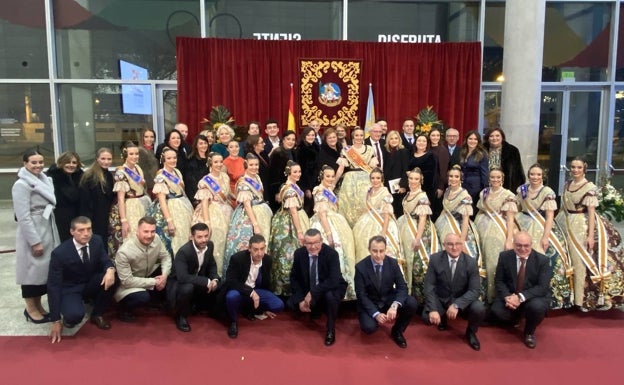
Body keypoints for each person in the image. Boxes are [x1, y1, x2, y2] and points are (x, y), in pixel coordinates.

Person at [555, 158, 624, 311]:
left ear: (584, 169)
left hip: (581, 224)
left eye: (578, 167)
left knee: (578, 261)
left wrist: (591, 236)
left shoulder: (589, 187)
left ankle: (579, 300)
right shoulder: (567, 184)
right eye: (573, 167)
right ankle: (568, 296)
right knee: (567, 260)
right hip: (565, 222)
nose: (575, 170)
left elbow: (591, 213)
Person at [48, 217, 117, 343]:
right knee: (74, 315)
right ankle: (69, 316)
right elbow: (53, 286)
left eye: (89, 229)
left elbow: (105, 259)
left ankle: (97, 314)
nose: (86, 233)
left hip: (90, 282)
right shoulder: (59, 253)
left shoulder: (97, 240)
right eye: (81, 230)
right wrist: (55, 320)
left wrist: (110, 269)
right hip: (71, 288)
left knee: (113, 277)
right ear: (72, 231)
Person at [516, 163, 573, 309]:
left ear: (543, 176)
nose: (535, 177)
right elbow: (518, 207)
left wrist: (545, 236)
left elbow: (549, 216)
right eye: (532, 174)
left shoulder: (547, 192)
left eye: (538, 175)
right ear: (528, 175)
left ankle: (538, 295)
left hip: (541, 226)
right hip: (522, 223)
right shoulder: (522, 189)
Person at [13, 149, 61, 323]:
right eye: (33, 162)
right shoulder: (21, 185)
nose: (38, 165)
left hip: (47, 226)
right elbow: (23, 216)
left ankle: (39, 305)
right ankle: (30, 308)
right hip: (32, 230)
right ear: (25, 163)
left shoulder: (45, 180)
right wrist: (34, 241)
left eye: (40, 162)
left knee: (42, 272)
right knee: (30, 272)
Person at [423, 233, 486, 351]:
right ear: (444, 246)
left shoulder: (471, 262)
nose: (454, 247)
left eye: (457, 244)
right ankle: (443, 318)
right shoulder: (435, 259)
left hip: (461, 300)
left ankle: (471, 332)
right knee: (427, 318)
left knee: (479, 308)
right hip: (442, 299)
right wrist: (433, 309)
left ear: (462, 245)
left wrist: (457, 304)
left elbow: (475, 290)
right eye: (450, 244)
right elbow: (429, 286)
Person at [354, 236, 418, 349]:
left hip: (388, 298)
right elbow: (361, 295)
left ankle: (397, 331)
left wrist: (395, 305)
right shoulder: (360, 267)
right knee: (369, 328)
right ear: (369, 249)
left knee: (411, 302)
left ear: (386, 250)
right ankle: (372, 320)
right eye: (374, 251)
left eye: (381, 251)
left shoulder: (393, 263)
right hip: (371, 302)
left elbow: (402, 287)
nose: (378, 255)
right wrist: (376, 314)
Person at [491, 232, 551, 349]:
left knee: (536, 307)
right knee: (496, 311)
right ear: (513, 244)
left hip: (532, 297)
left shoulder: (542, 261)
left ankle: (529, 332)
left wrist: (519, 298)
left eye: (526, 245)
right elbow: (499, 281)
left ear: (531, 244)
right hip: (511, 295)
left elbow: (542, 287)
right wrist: (508, 297)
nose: (522, 249)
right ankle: (517, 318)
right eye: (519, 245)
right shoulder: (504, 257)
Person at [288, 229, 347, 346]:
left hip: (329, 288)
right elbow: (294, 278)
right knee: (290, 304)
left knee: (330, 296)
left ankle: (330, 329)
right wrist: (300, 299)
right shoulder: (299, 254)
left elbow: (333, 280)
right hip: (309, 288)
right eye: (309, 243)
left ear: (321, 241)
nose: (313, 246)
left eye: (316, 242)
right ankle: (314, 308)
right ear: (304, 243)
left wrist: (312, 293)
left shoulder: (331, 254)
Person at [435, 166, 484, 296]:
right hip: (445, 226)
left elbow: (466, 218)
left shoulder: (465, 195)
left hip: (460, 229)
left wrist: (462, 241)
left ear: (461, 179)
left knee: (465, 259)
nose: (453, 179)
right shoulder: (447, 191)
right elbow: (445, 210)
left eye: (456, 177)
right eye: (451, 176)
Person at [223, 234, 285, 339]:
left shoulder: (267, 260)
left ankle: (251, 310)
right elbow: (231, 281)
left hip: (256, 291)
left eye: (262, 249)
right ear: (249, 249)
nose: (259, 253)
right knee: (231, 297)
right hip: (239, 290)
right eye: (255, 249)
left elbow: (266, 282)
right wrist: (251, 292)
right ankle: (233, 321)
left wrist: (264, 308)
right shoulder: (237, 258)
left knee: (278, 305)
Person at [310, 165, 356, 300]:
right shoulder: (319, 191)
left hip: (336, 221)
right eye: (327, 176)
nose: (330, 179)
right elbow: (322, 214)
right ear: (321, 177)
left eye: (332, 176)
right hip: (325, 225)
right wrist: (329, 235)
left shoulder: (328, 188)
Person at [114, 216, 172, 322]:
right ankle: (123, 310)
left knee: (171, 272)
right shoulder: (124, 252)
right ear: (137, 231)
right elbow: (127, 281)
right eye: (145, 231)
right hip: (128, 285)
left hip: (147, 274)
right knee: (142, 297)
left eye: (152, 231)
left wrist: (164, 275)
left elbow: (166, 257)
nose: (149, 235)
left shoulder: (157, 239)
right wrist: (155, 282)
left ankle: (156, 301)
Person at [474, 168, 518, 303]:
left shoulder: (508, 195)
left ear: (502, 179)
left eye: (498, 177)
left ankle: (494, 297)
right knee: (481, 261)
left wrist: (509, 239)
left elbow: (510, 218)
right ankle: (482, 295)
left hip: (499, 230)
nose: (495, 180)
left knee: (494, 262)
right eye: (493, 177)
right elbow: (481, 211)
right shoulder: (484, 192)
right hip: (482, 228)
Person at [224, 154, 273, 271]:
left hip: (262, 212)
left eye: (256, 165)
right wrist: (255, 225)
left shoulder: (257, 177)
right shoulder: (243, 182)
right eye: (251, 165)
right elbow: (246, 205)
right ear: (246, 165)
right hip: (249, 216)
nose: (254, 167)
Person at [168, 222, 221, 332]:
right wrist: (206, 281)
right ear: (192, 237)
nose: (204, 240)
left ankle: (211, 310)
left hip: (196, 280)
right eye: (200, 237)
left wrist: (214, 279)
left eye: (206, 236)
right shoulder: (184, 252)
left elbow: (212, 265)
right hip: (178, 284)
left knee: (220, 283)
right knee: (188, 287)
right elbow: (182, 277)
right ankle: (180, 316)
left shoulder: (209, 245)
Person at [397, 167, 440, 300]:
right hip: (406, 228)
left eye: (416, 179)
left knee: (419, 263)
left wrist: (417, 238)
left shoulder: (422, 196)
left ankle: (424, 298)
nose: (413, 181)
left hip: (420, 232)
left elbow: (422, 219)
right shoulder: (409, 193)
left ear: (420, 180)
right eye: (411, 178)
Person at [269, 161, 310, 296]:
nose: (298, 174)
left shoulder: (291, 186)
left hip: (295, 217)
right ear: (288, 173)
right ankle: (286, 289)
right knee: (288, 254)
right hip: (290, 223)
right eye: (295, 172)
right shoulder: (290, 190)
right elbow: (293, 211)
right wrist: (299, 231)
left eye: (299, 171)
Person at [353, 168, 403, 269]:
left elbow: (387, 214)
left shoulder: (385, 193)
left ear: (382, 179)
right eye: (373, 178)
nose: (375, 180)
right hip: (366, 222)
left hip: (382, 223)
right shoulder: (369, 190)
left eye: (378, 178)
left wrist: (383, 233)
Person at [148, 147, 193, 257]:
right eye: (169, 158)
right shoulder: (161, 176)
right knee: (177, 238)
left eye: (174, 158)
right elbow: (162, 201)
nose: (173, 160)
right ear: (164, 159)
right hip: (171, 209)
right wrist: (169, 221)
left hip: (183, 206)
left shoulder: (177, 172)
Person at [192, 152, 232, 275]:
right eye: (216, 162)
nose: (219, 164)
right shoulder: (206, 181)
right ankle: (215, 274)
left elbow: (227, 195)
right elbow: (204, 202)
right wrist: (207, 222)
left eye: (221, 161)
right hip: (212, 212)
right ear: (210, 163)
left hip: (227, 211)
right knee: (216, 243)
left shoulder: (225, 176)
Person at [108, 141, 151, 255]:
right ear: (125, 155)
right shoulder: (121, 172)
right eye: (131, 154)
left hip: (142, 204)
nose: (135, 156)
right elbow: (120, 199)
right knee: (133, 236)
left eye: (136, 154)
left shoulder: (138, 168)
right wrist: (124, 220)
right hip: (130, 207)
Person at [336, 126, 378, 227]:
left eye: (361, 135)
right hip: (350, 180)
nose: (359, 137)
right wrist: (334, 182)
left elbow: (374, 167)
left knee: (365, 203)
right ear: (353, 137)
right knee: (349, 206)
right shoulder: (347, 150)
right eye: (356, 135)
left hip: (366, 179)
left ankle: (364, 226)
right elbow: (341, 168)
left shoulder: (370, 149)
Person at [79, 148, 115, 253]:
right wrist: (87, 222)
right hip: (93, 218)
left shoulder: (108, 175)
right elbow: (85, 202)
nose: (106, 162)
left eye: (109, 159)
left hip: (104, 216)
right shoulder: (89, 176)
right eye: (103, 158)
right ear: (97, 159)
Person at [47, 151, 83, 241]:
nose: (71, 165)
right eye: (68, 162)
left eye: (74, 162)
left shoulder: (80, 177)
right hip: (60, 218)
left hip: (77, 218)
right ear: (61, 163)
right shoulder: (53, 178)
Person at [484, 127, 525, 192]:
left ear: (502, 137)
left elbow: (518, 173)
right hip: (486, 186)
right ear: (487, 138)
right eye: (491, 136)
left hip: (506, 187)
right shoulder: (481, 150)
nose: (494, 138)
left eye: (497, 136)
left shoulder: (512, 151)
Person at [459, 130, 489, 213]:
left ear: (478, 141)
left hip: (476, 187)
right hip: (463, 186)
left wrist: (485, 189)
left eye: (475, 139)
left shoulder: (482, 154)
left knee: (472, 211)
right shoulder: (463, 152)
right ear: (466, 140)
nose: (472, 141)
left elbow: (485, 173)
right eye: (470, 138)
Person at [267, 130, 297, 211]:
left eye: (293, 139)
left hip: (291, 188)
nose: (291, 142)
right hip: (280, 190)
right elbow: (273, 175)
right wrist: (277, 192)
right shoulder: (277, 153)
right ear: (283, 140)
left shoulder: (294, 152)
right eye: (288, 139)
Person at [408, 134, 438, 213]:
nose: (421, 143)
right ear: (415, 142)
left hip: (426, 190)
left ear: (427, 143)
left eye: (424, 141)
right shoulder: (410, 155)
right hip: (411, 189)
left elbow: (431, 174)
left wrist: (413, 175)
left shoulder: (431, 156)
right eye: (419, 140)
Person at [383, 130, 410, 217]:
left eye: (396, 138)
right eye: (391, 138)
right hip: (387, 186)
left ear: (399, 140)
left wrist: (403, 185)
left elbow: (406, 169)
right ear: (388, 140)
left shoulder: (404, 151)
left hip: (399, 187)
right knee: (388, 210)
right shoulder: (385, 152)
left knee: (398, 211)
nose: (394, 140)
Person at [296, 127, 319, 216]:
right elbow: (301, 171)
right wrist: (306, 188)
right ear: (304, 136)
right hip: (306, 184)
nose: (311, 137)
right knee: (307, 209)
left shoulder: (316, 147)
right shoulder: (301, 149)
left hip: (315, 183)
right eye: (308, 135)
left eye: (313, 135)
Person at [429, 127, 450, 221]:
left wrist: (441, 187)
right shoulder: (427, 148)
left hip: (437, 185)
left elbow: (443, 171)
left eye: (437, 135)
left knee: (435, 210)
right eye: (433, 135)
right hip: (427, 183)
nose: (435, 137)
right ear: (429, 136)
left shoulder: (443, 150)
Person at [245, 134, 271, 203]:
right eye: (262, 142)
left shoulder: (263, 154)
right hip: (256, 188)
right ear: (255, 145)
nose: (264, 144)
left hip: (266, 186)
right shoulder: (250, 157)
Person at [184, 134, 210, 202]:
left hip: (210, 194)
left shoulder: (211, 159)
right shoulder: (191, 161)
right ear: (196, 146)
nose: (204, 145)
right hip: (197, 196)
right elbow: (190, 181)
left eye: (205, 143)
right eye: (201, 143)